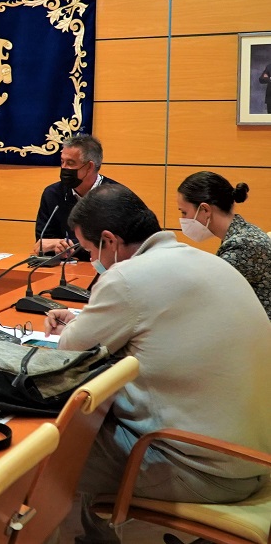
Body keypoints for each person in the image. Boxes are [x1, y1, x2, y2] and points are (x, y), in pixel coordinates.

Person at [43, 185, 271, 544]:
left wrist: (73, 327)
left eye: (89, 250)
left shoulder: (126, 277)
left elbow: (69, 353)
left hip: (203, 470)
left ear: (109, 240)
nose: (93, 260)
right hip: (255, 457)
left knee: (44, 449)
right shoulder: (206, 260)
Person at [176, 171, 271, 318]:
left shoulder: (243, 244)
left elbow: (204, 294)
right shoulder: (241, 235)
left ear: (205, 209)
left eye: (184, 212)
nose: (182, 219)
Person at [33, 134, 119, 261]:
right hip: (65, 268)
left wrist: (67, 245)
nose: (64, 168)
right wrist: (59, 247)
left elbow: (111, 246)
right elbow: (43, 244)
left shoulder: (115, 197)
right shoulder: (52, 194)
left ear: (89, 167)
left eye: (70, 163)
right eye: (62, 162)